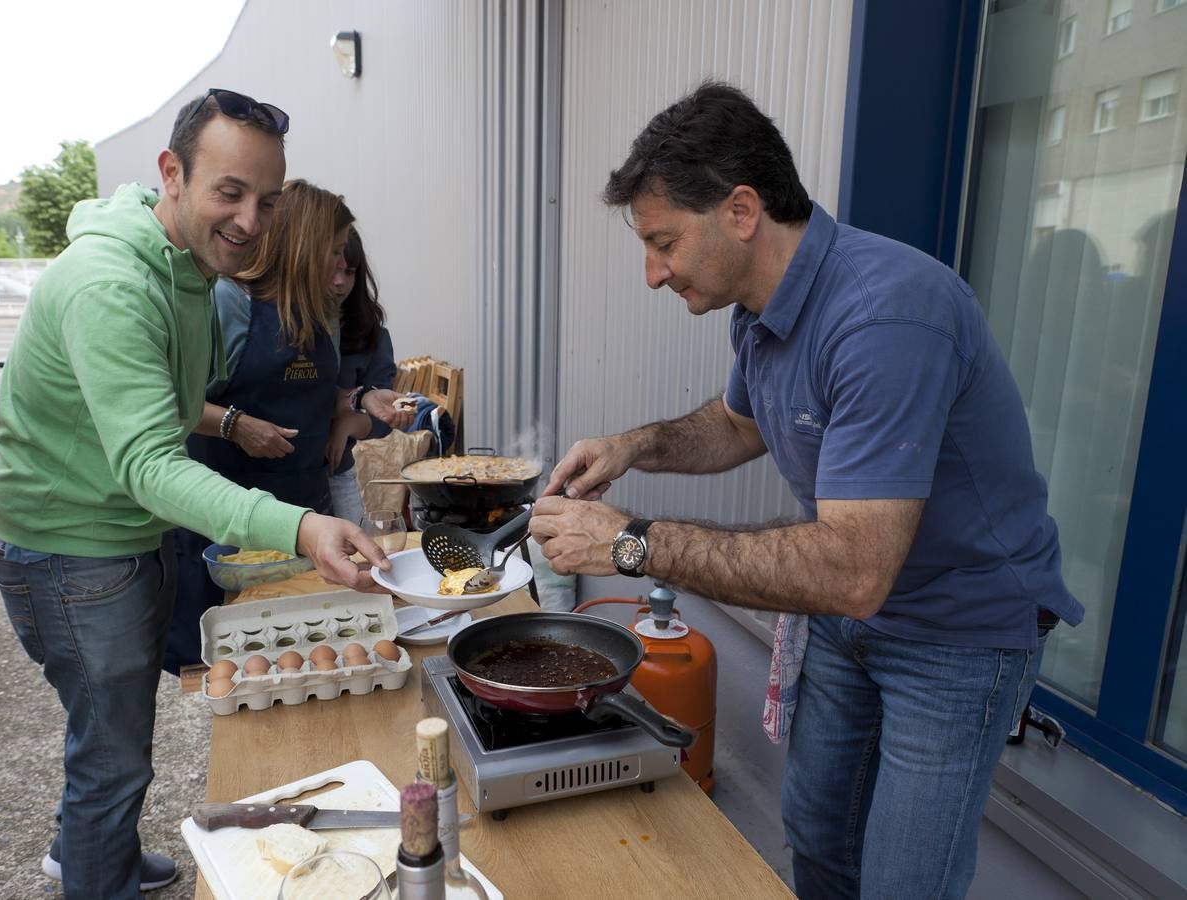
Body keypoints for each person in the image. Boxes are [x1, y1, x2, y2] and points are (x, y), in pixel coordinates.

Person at [529, 80, 1084, 900]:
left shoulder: (886, 316)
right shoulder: (758, 311)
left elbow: (856, 571)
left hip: (956, 636)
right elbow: (738, 423)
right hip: (850, 621)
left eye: (663, 243)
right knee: (819, 834)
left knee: (903, 883)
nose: (652, 274)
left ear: (742, 211)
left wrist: (630, 540)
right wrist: (631, 447)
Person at [0, 92, 390, 898]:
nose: (251, 221)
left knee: (111, 732)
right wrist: (301, 527)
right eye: (229, 192)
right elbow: (147, 461)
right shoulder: (113, 283)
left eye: (268, 201)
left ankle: (102, 856)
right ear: (172, 173)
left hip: (124, 531)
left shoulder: (195, 268)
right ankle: (96, 867)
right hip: (70, 544)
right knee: (112, 755)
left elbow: (163, 413)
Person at [164, 183, 408, 673]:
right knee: (232, 658)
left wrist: (359, 400)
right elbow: (174, 404)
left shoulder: (324, 318)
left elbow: (317, 395)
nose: (342, 270)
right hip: (230, 528)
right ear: (303, 246)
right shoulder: (228, 304)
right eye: (334, 252)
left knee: (311, 647)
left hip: (307, 515)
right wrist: (233, 424)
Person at [327, 226, 409, 526]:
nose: (339, 282)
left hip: (338, 471)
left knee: (355, 561)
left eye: (349, 272)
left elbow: (381, 421)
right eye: (331, 270)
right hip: (277, 478)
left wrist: (348, 423)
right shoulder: (282, 322)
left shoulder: (370, 333)